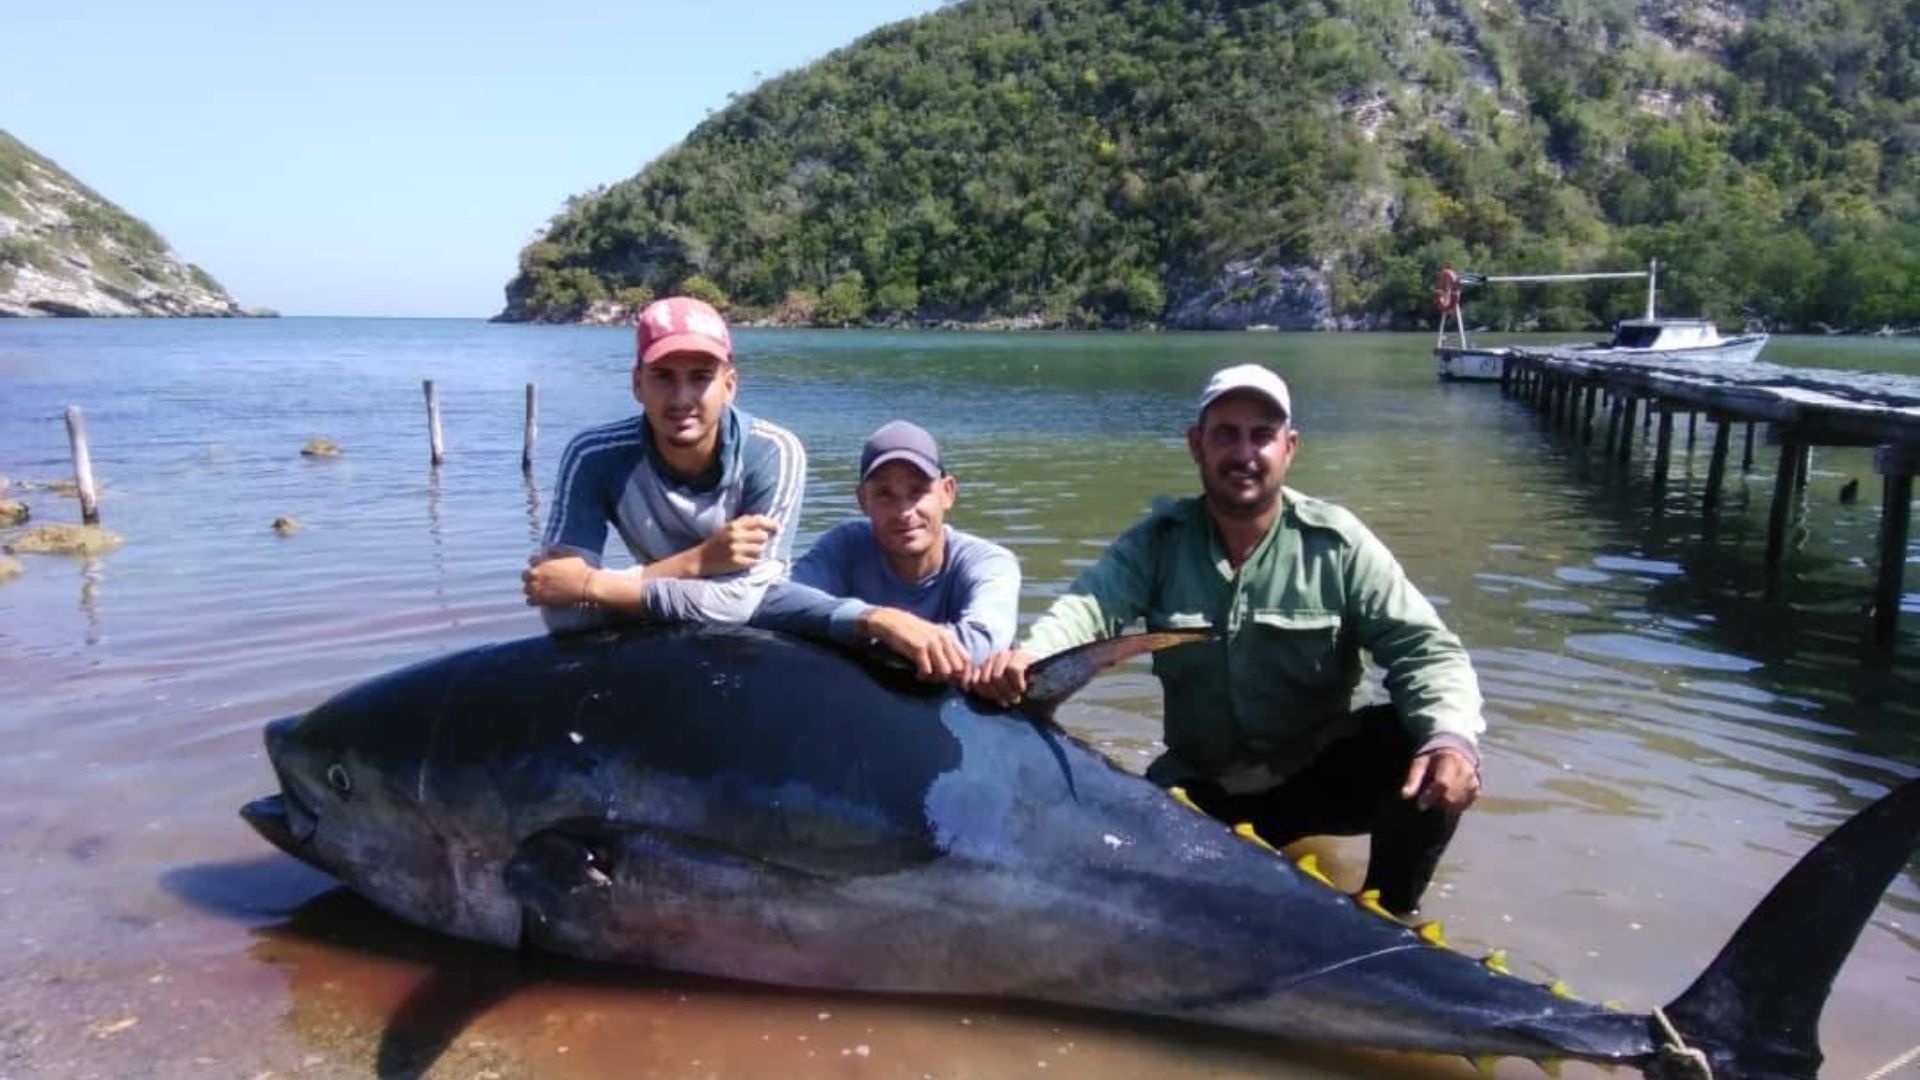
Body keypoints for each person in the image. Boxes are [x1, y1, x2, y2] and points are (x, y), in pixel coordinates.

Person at [973, 363, 1484, 915]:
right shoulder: (1158, 544)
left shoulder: (1338, 544)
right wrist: (1029, 658)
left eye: (1262, 435)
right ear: (1197, 446)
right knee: (1122, 891)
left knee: (1425, 746)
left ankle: (1389, 926)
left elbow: (1427, 649)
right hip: (1202, 786)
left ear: (1290, 447)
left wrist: (1451, 738)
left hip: (1316, 773)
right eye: (1225, 434)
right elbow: (1088, 609)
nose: (1244, 453)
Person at [523, 295, 805, 630]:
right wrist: (697, 562)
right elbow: (562, 611)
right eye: (663, 376)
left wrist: (592, 585)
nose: (681, 398)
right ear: (637, 384)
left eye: (700, 377)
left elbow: (741, 604)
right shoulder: (593, 456)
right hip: (654, 639)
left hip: (750, 648)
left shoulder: (773, 452)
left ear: (729, 386)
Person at [753, 420, 1020, 685]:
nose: (904, 512)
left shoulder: (990, 562)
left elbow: (983, 645)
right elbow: (773, 601)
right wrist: (874, 620)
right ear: (862, 501)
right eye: (884, 494)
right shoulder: (845, 546)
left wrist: (865, 640)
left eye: (918, 491)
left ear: (947, 493)